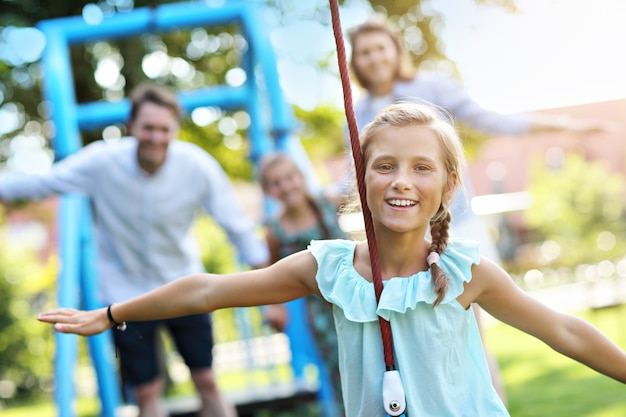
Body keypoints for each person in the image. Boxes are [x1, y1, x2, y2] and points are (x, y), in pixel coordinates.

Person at [38, 103, 626, 417]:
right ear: (361, 179)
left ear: (448, 185)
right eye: (385, 165)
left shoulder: (465, 274)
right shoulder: (329, 270)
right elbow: (206, 290)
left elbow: (565, 332)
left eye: (422, 167)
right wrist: (112, 312)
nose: (401, 181)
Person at [346, 17, 613, 401]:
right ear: (355, 60)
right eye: (365, 51)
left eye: (380, 48)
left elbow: (489, 119)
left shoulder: (430, 88)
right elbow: (351, 175)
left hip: (454, 224)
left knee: (468, 320)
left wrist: (563, 125)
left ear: (396, 50)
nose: (373, 58)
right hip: (397, 240)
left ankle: (490, 402)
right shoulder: (359, 113)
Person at [0, 83, 270, 417]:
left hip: (182, 284)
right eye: (148, 127)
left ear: (175, 129)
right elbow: (43, 182)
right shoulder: (102, 161)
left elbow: (236, 224)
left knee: (207, 380)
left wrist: (268, 287)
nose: (155, 137)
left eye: (163, 129)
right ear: (131, 127)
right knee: (146, 391)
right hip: (124, 291)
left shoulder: (197, 166)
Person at [258, 151, 346, 416]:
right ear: (268, 190)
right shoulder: (276, 232)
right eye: (276, 182)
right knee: (340, 369)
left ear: (301, 177)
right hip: (321, 311)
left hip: (355, 292)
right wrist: (274, 306)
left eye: (290, 178)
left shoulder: (328, 204)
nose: (286, 186)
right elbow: (271, 273)